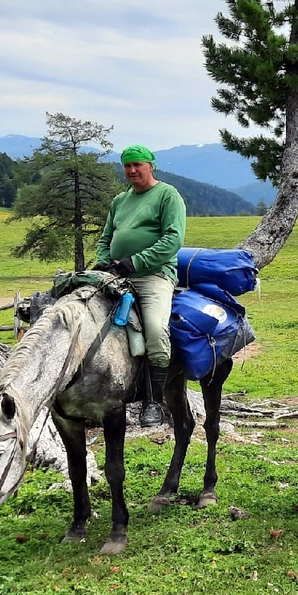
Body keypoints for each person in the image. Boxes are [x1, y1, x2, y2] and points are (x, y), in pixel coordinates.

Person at [94, 145, 186, 428]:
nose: (132, 170)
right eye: (127, 165)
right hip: (116, 274)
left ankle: (153, 402)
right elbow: (106, 238)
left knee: (156, 331)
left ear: (151, 166)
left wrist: (136, 262)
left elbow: (173, 239)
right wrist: (103, 261)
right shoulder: (119, 201)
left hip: (153, 276)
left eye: (138, 164)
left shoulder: (168, 195)